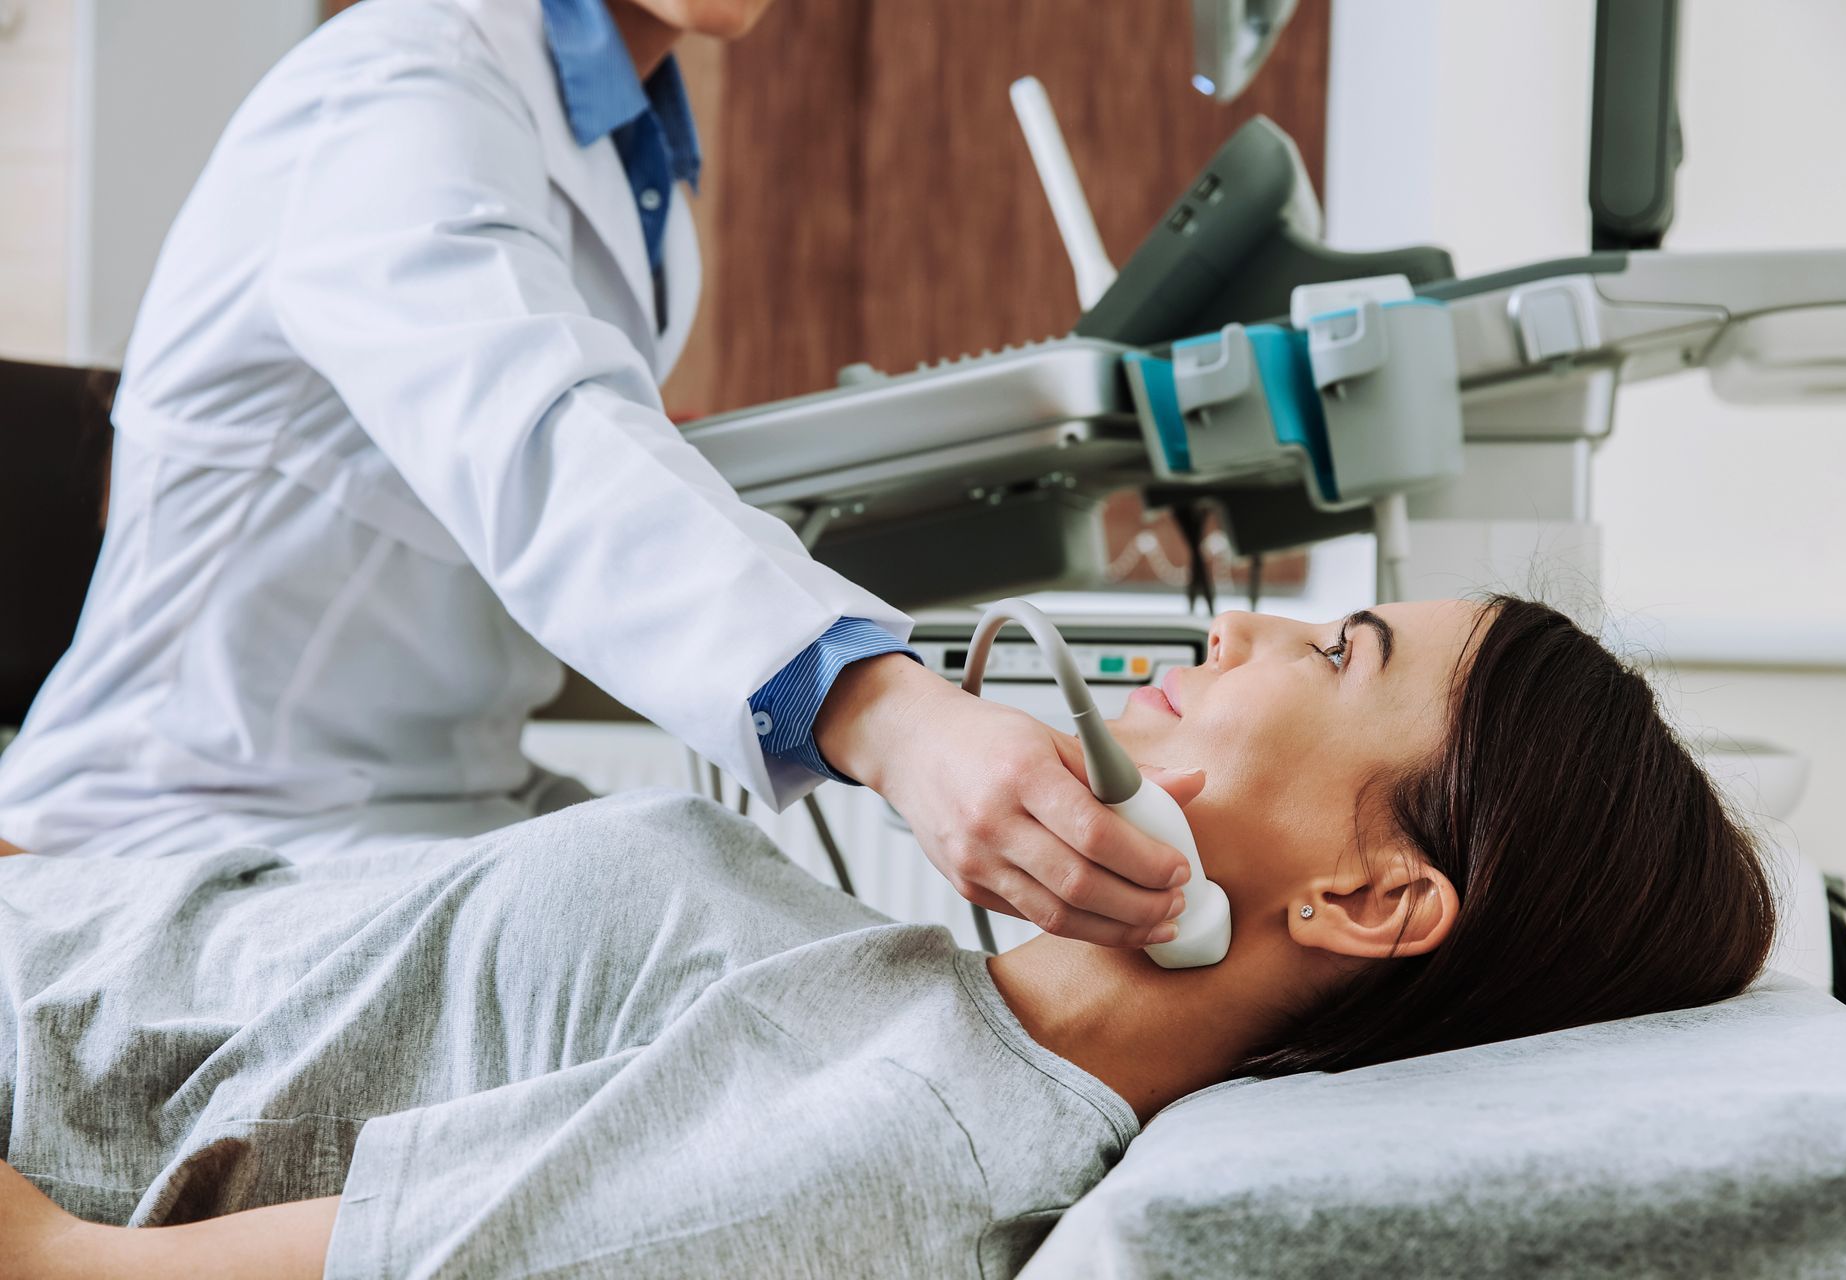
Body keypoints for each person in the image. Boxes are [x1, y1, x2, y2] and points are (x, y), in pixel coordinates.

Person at [0, 599, 1777, 1278]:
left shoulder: (874, 1170)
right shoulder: (915, 1006)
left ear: (1372, 899)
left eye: (1342, 656)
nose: (1251, 620)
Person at [0, 0, 1193, 950]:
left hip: (437, 802)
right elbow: (543, 439)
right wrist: (890, 714)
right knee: (712, 952)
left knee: (778, 930)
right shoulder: (396, 88)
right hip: (195, 840)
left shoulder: (644, 170)